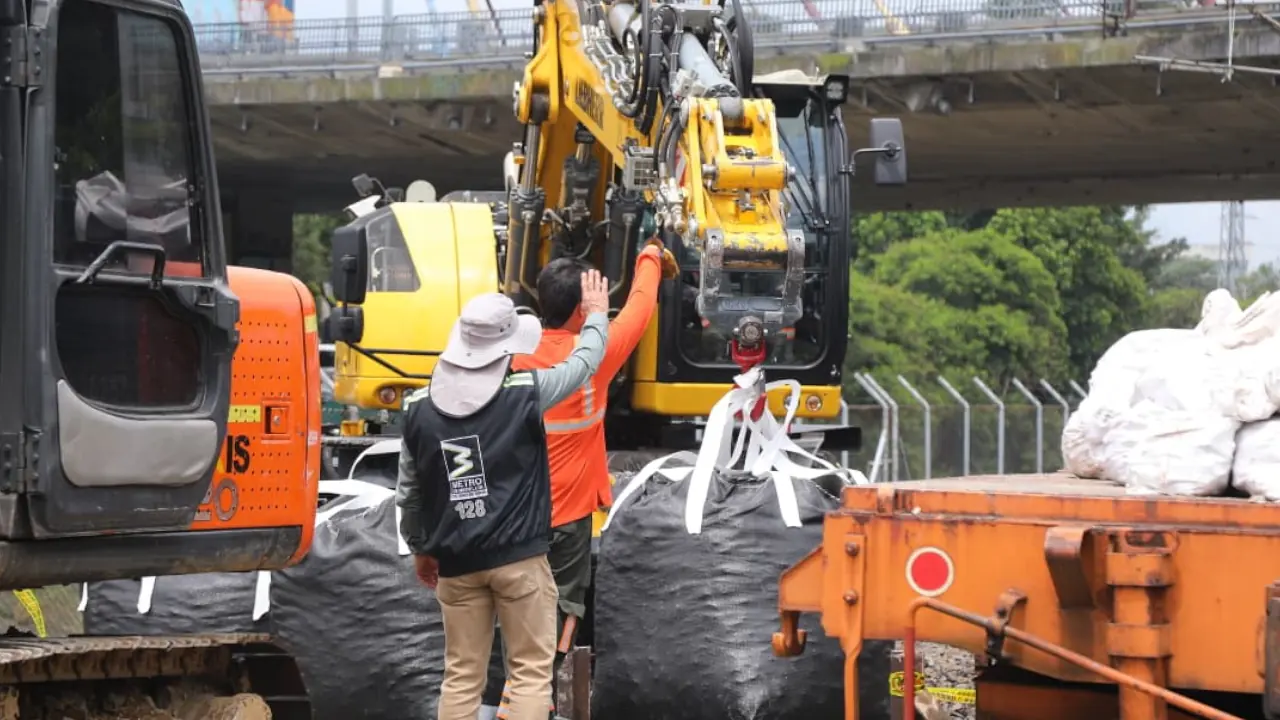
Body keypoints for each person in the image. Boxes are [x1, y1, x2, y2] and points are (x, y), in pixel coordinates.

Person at [395, 271, 612, 720]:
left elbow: (410, 494)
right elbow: (586, 362)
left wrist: (421, 549)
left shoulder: (417, 409)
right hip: (520, 562)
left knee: (460, 676)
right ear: (507, 346)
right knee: (531, 672)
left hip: (455, 564)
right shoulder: (525, 394)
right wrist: (595, 317)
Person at [511, 239, 679, 682]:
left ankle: (508, 693)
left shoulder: (509, 360)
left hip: (509, 516)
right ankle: (539, 693)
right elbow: (640, 308)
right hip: (566, 519)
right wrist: (649, 255)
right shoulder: (594, 358)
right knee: (562, 606)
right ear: (585, 311)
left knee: (509, 607)